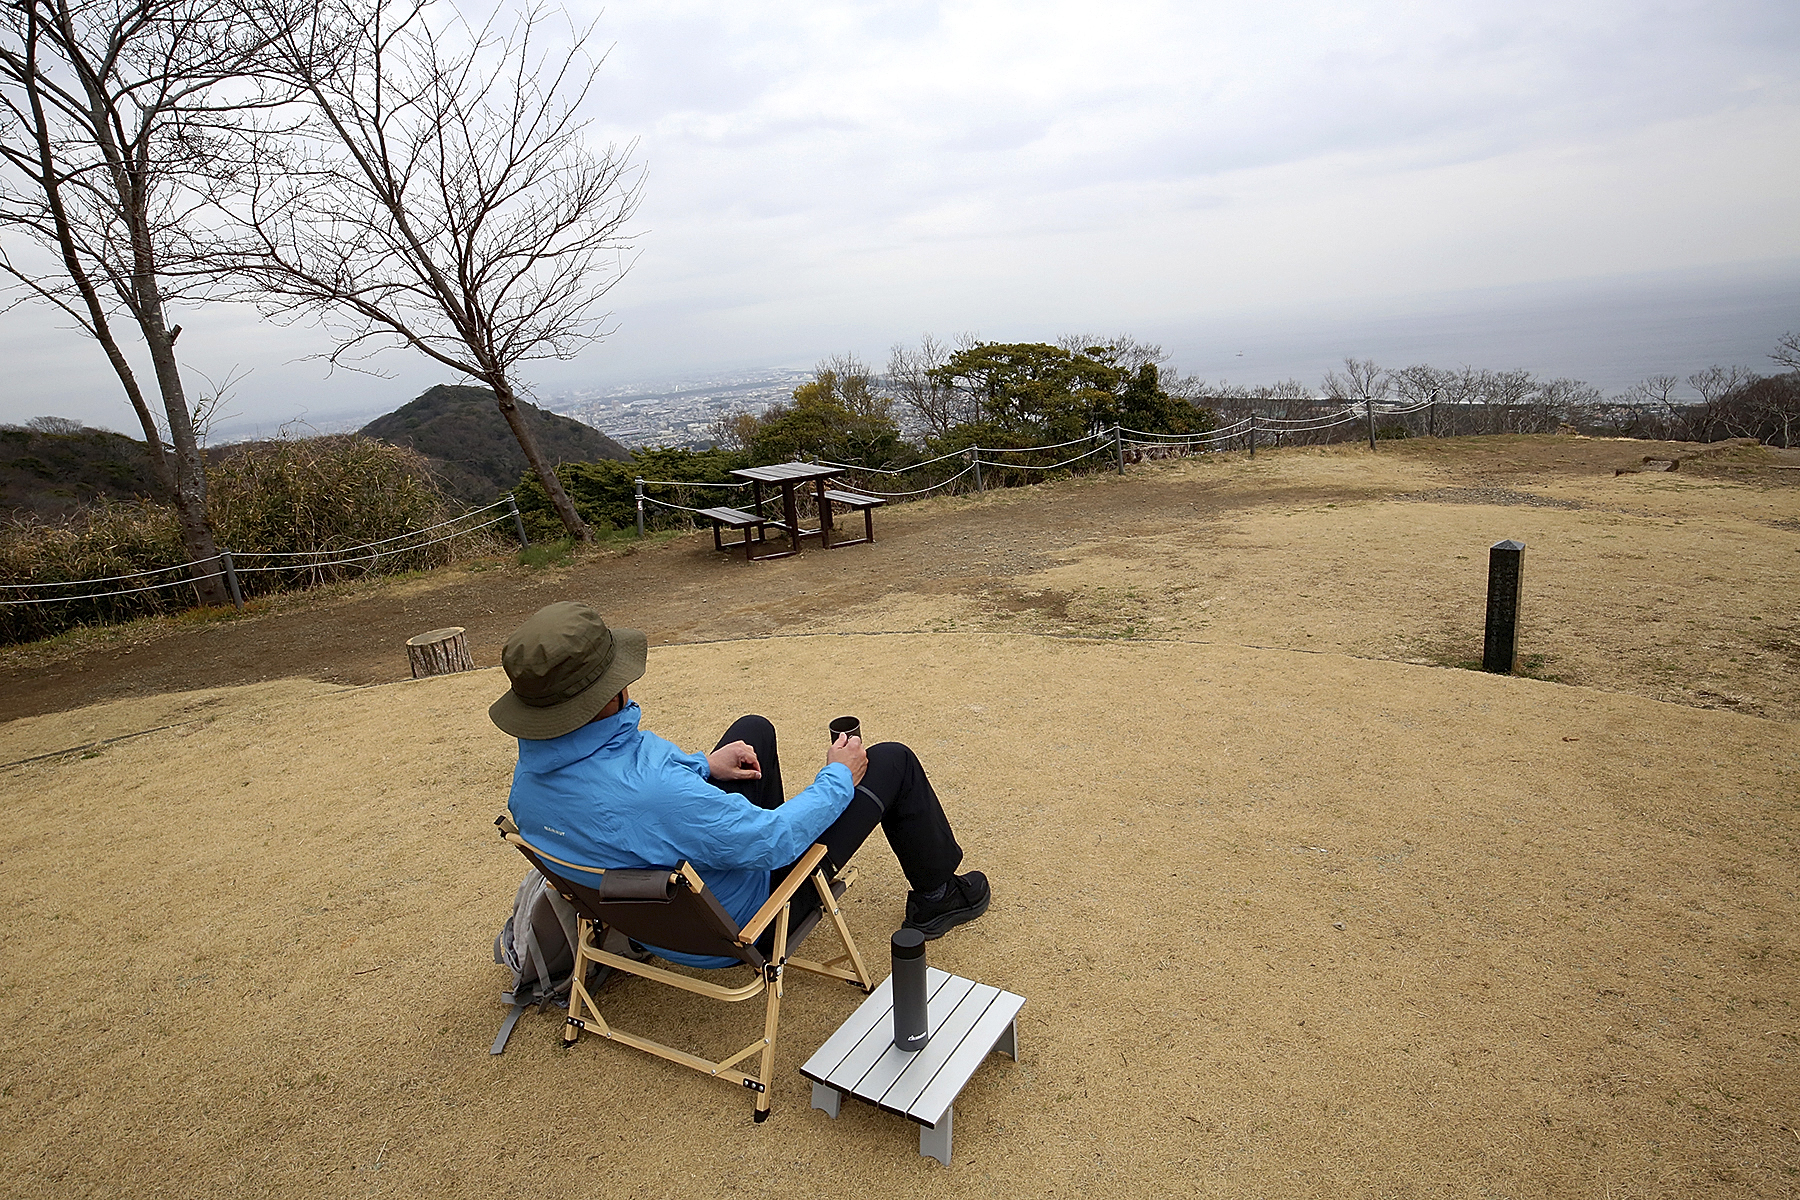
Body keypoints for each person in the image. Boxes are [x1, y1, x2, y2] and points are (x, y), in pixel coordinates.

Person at [491, 601, 990, 968]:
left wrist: (704, 766)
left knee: (752, 729)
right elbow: (773, 841)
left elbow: (633, 800)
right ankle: (938, 897)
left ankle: (743, 787)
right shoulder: (657, 792)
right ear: (605, 694)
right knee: (889, 760)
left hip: (643, 918)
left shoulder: (528, 784)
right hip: (741, 927)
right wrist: (839, 776)